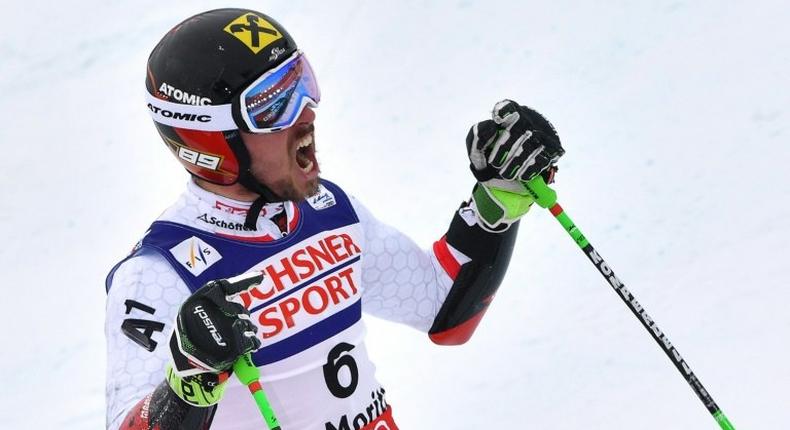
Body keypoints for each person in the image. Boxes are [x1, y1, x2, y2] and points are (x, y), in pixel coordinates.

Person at [104, 8, 564, 430]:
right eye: (272, 105)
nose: (306, 111)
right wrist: (188, 381)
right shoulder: (158, 274)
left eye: (302, 81)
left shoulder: (328, 210)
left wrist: (496, 203)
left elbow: (442, 311)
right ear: (208, 142)